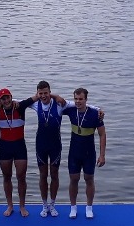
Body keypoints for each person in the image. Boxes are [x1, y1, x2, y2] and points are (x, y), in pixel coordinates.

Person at [30, 81, 103, 218]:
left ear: (50, 92)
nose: (44, 96)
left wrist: (98, 109)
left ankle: (53, 205)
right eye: (41, 93)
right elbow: (19, 103)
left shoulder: (60, 105)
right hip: (41, 145)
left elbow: (81, 105)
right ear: (38, 93)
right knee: (43, 175)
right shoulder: (35, 104)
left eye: (46, 93)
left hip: (56, 146)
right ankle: (45, 205)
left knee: (56, 175)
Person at [62, 88, 106, 219]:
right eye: (76, 99)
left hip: (89, 153)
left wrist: (102, 155)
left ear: (86, 99)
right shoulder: (70, 111)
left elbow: (102, 134)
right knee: (73, 179)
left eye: (81, 99)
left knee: (89, 179)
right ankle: (73, 207)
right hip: (74, 153)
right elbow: (58, 102)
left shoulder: (95, 114)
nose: (78, 101)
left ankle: (89, 207)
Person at [0, 88, 37, 217]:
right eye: (3, 99)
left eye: (8, 97)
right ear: (0, 100)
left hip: (19, 146)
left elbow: (36, 97)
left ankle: (22, 206)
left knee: (21, 176)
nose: (6, 100)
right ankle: (10, 205)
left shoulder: (20, 106)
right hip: (4, 147)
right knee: (7, 176)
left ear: (11, 97)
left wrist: (55, 96)